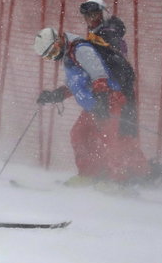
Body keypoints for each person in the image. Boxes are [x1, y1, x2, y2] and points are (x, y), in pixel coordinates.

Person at [33, 26, 150, 189]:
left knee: (109, 140)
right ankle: (88, 174)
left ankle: (119, 180)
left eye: (53, 51)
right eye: (49, 57)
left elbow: (98, 73)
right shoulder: (67, 55)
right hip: (94, 106)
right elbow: (77, 84)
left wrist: (102, 99)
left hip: (109, 101)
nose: (54, 57)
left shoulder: (80, 49)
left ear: (58, 40)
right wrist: (56, 95)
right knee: (78, 134)